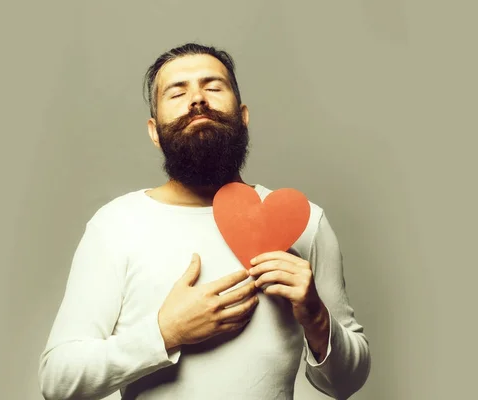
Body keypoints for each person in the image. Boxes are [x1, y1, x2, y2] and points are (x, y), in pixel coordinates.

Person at [38, 43, 371, 400]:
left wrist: (316, 316)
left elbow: (345, 383)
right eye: (177, 92)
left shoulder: (304, 224)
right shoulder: (115, 225)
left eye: (213, 87)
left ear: (242, 115)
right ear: (154, 131)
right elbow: (59, 381)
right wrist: (166, 333)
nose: (197, 99)